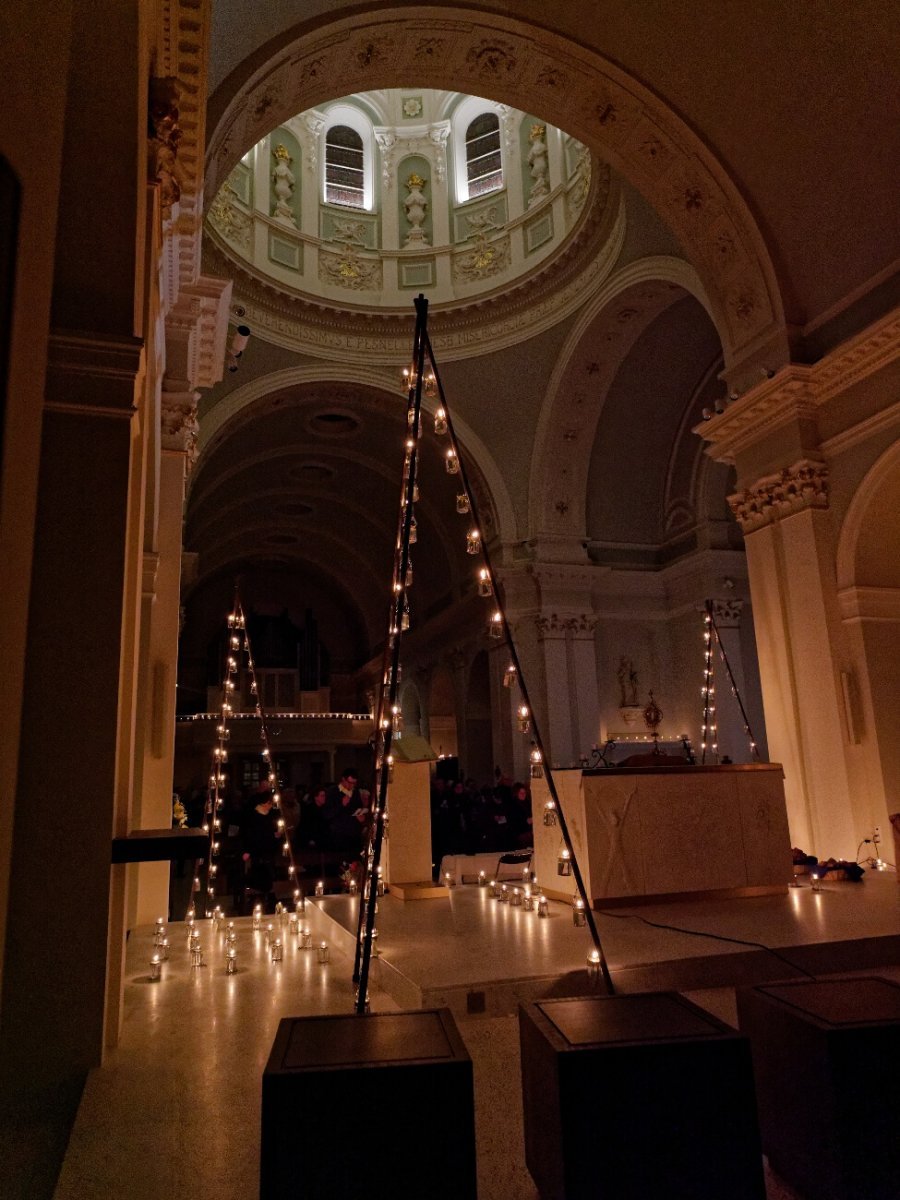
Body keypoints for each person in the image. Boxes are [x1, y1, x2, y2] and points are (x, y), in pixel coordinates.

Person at [239, 784, 281, 907]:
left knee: (271, 875)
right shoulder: (253, 816)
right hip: (257, 852)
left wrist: (276, 835)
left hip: (268, 851)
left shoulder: (269, 816)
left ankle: (270, 898)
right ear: (264, 803)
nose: (271, 805)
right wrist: (247, 850)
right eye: (269, 803)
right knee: (259, 875)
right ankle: (256, 899)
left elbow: (269, 834)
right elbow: (249, 835)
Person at [325, 767, 369, 854]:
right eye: (349, 782)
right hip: (339, 836)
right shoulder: (332, 792)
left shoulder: (355, 792)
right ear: (343, 779)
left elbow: (357, 809)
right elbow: (327, 814)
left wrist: (361, 817)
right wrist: (342, 804)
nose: (351, 786)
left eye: (354, 783)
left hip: (354, 836)